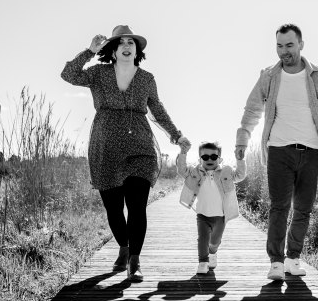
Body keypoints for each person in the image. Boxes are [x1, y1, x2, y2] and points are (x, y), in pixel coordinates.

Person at [61, 25, 191, 282]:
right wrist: (89, 51)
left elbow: (157, 109)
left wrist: (177, 135)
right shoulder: (98, 73)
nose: (127, 45)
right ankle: (123, 246)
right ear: (113, 49)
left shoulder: (146, 79)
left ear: (137, 50)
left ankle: (135, 260)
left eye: (131, 42)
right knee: (113, 208)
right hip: (106, 146)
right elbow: (68, 74)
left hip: (140, 147)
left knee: (137, 206)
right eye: (121, 42)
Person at [234, 24, 318, 281]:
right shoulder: (268, 76)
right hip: (279, 150)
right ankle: (276, 262)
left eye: (289, 45)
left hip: (312, 152)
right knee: (279, 207)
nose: (284, 51)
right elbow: (252, 109)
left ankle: (292, 258)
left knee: (303, 209)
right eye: (279, 46)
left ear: (301, 45)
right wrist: (243, 139)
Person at [177, 141, 247, 274]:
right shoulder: (196, 171)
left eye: (213, 157)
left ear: (219, 159)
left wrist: (240, 160)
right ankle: (203, 262)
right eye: (205, 157)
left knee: (214, 242)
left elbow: (240, 175)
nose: (209, 160)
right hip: (202, 214)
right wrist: (183, 153)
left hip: (220, 216)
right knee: (202, 239)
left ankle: (213, 253)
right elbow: (182, 170)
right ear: (200, 159)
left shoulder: (226, 171)